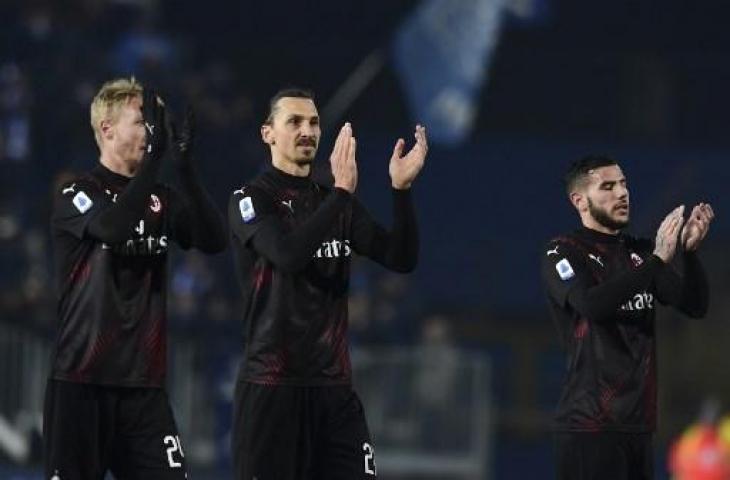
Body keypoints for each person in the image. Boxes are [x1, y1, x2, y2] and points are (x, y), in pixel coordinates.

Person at [228, 88, 427, 479]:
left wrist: (400, 192)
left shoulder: (336, 202)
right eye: (295, 122)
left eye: (314, 123)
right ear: (267, 133)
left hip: (334, 390)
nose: (307, 131)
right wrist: (339, 196)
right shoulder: (251, 199)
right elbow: (287, 255)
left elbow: (400, 258)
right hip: (273, 386)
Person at [44, 77, 226, 479]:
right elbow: (112, 228)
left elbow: (214, 240)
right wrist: (156, 162)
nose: (153, 131)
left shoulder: (162, 197)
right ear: (107, 128)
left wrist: (186, 169)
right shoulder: (77, 192)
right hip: (81, 382)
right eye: (144, 120)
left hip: (145, 387)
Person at [541, 155, 714, 480]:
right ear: (579, 200)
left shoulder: (640, 253)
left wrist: (689, 255)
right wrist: (657, 261)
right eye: (608, 186)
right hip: (588, 428)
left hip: (638, 426)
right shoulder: (563, 252)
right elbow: (591, 305)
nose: (622, 193)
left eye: (623, 184)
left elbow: (694, 305)